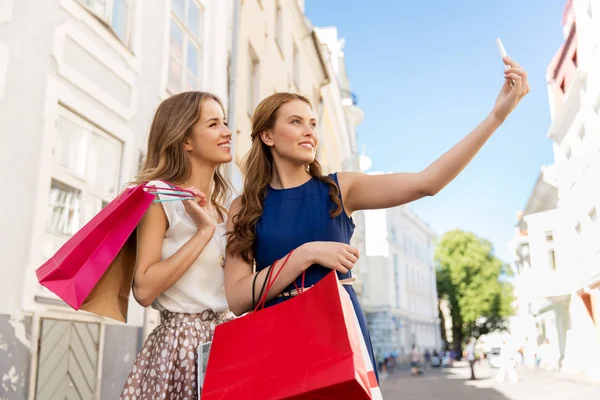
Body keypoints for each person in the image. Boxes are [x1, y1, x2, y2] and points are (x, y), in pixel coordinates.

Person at [224, 57, 529, 386]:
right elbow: (238, 298)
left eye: (312, 123)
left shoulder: (341, 189)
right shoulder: (244, 208)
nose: (309, 131)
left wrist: (497, 116)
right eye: (296, 122)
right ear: (268, 135)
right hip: (276, 342)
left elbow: (428, 182)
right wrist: (306, 255)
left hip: (340, 335)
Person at [120, 91, 235, 399]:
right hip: (181, 347)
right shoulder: (159, 197)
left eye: (224, 122)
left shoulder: (224, 211)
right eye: (213, 124)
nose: (227, 131)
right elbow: (143, 290)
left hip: (227, 344)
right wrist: (203, 233)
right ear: (186, 140)